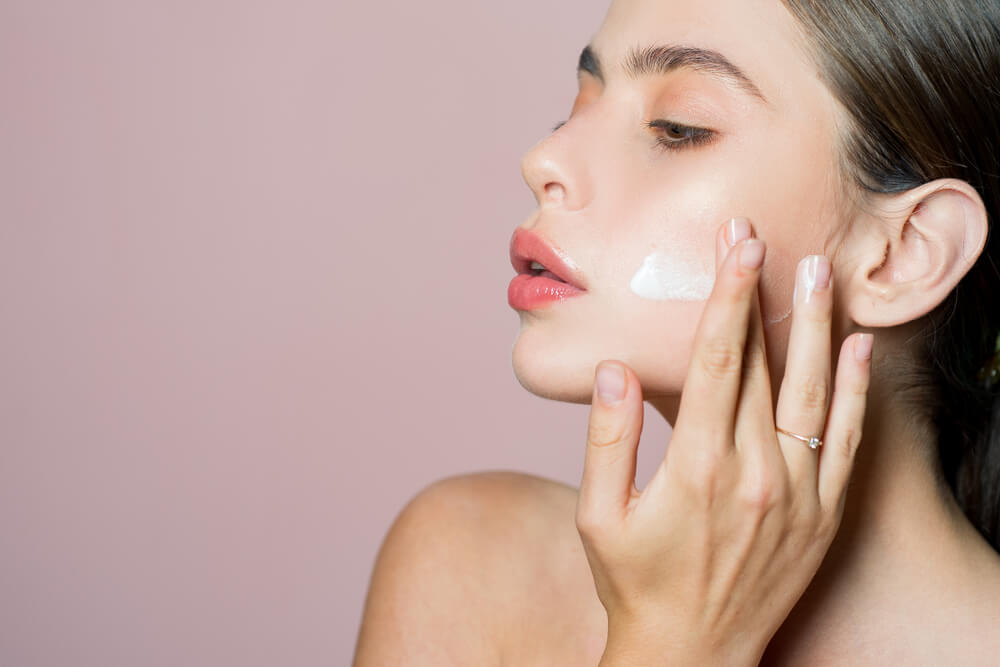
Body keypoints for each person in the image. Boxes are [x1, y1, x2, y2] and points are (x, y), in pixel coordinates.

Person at [353, 0, 1000, 664]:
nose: (543, 157)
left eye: (676, 127)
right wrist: (673, 641)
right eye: (580, 104)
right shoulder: (474, 570)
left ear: (905, 253)